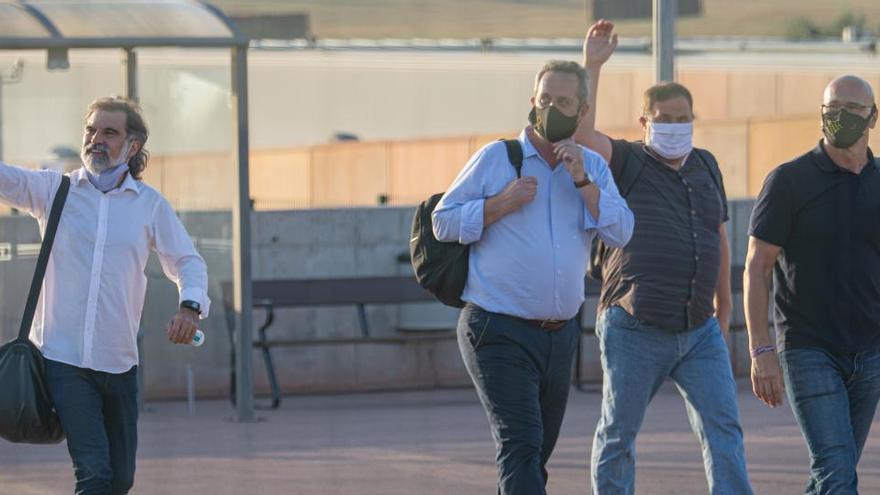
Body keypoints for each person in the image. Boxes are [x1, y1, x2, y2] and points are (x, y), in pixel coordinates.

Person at [432, 60, 633, 494]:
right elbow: (441, 222)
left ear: (582, 111)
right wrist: (497, 205)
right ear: (531, 103)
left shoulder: (592, 166)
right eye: (545, 100)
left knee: (535, 453)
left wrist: (582, 181)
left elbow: (621, 230)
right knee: (520, 446)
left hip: (558, 336)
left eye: (563, 102)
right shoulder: (497, 158)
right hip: (496, 327)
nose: (552, 109)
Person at [575, 20, 752, 494]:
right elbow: (581, 135)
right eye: (664, 119)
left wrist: (725, 307)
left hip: (698, 329)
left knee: (724, 428)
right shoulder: (629, 160)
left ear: (693, 120)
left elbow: (717, 234)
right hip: (635, 326)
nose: (673, 127)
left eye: (681, 119)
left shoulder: (707, 164)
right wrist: (592, 64)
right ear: (644, 122)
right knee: (619, 432)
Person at [0, 96, 210, 494]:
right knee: (94, 473)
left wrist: (190, 307)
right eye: (91, 130)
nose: (96, 139)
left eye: (109, 132)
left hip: (119, 362)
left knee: (120, 479)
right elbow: (5, 178)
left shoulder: (149, 206)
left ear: (132, 146)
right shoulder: (53, 190)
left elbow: (187, 261)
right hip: (64, 360)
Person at [745, 75, 880, 494]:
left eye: (852, 109)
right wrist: (761, 350)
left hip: (869, 351)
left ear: (873, 117)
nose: (840, 117)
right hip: (808, 348)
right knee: (836, 470)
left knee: (832, 470)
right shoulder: (789, 180)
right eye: (831, 107)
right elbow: (757, 267)